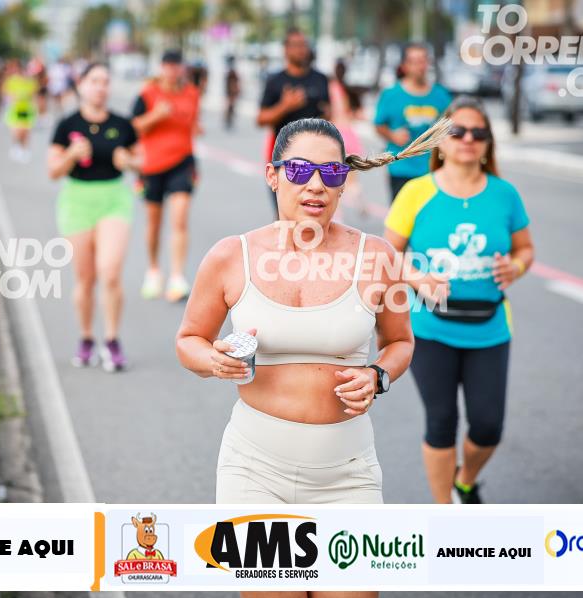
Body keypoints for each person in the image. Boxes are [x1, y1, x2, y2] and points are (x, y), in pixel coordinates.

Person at [176, 117, 449, 520]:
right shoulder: (230, 256)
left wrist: (377, 375)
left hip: (349, 474)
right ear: (272, 176)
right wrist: (214, 360)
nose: (316, 184)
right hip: (252, 471)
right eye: (300, 170)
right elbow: (189, 341)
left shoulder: (376, 256)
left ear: (343, 183)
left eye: (332, 172)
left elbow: (400, 343)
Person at [382, 96, 535, 503]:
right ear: (441, 141)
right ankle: (443, 512)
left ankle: (464, 481)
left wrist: (515, 267)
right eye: (458, 131)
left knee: (488, 427)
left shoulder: (505, 194)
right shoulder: (415, 192)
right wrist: (417, 278)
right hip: (430, 327)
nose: (468, 138)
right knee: (441, 420)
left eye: (478, 132)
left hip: (490, 327)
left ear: (488, 143)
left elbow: (525, 249)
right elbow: (386, 254)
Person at [48, 63, 142, 372]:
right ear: (81, 85)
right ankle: (87, 337)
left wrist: (128, 162)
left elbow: (142, 161)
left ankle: (112, 340)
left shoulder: (123, 124)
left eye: (105, 82)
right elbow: (53, 171)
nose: (100, 87)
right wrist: (71, 155)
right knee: (85, 279)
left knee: (110, 273)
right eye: (94, 81)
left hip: (114, 199)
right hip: (77, 201)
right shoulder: (66, 125)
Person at [132, 49, 201, 303]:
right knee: (154, 222)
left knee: (180, 219)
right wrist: (156, 116)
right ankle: (153, 270)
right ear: (162, 67)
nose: (172, 70)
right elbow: (134, 126)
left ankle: (177, 277)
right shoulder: (147, 94)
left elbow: (192, 124)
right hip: (152, 166)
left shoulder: (192, 93)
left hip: (182, 162)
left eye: (176, 65)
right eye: (168, 65)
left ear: (182, 68)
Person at [257, 28, 330, 216]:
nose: (301, 50)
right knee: (285, 216)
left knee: (312, 214)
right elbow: (261, 118)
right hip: (284, 158)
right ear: (286, 49)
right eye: (296, 45)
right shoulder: (275, 81)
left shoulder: (320, 79)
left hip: (315, 158)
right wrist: (285, 106)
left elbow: (328, 114)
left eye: (304, 45)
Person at [374, 43, 452, 202]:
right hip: (401, 169)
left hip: (432, 170)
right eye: (414, 61)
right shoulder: (391, 94)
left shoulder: (441, 95)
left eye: (423, 60)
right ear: (404, 66)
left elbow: (451, 125)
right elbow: (378, 125)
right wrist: (392, 135)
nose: (420, 66)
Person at [328, 59, 365, 218]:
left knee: (332, 177)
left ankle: (337, 213)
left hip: (334, 134)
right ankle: (359, 201)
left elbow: (328, 112)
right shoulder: (348, 90)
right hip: (349, 134)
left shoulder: (330, 89)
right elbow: (358, 114)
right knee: (351, 177)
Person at [2, 59, 39, 162]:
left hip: (26, 109)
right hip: (15, 110)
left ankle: (24, 149)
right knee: (16, 131)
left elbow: (34, 94)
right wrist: (12, 97)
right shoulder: (11, 81)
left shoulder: (29, 81)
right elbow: (6, 93)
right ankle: (16, 146)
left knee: (25, 132)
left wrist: (35, 107)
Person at [224, 55, 241, 130]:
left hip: (231, 91)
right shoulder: (231, 72)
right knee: (230, 105)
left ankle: (229, 118)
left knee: (230, 105)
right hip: (230, 91)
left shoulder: (231, 71)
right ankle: (228, 118)